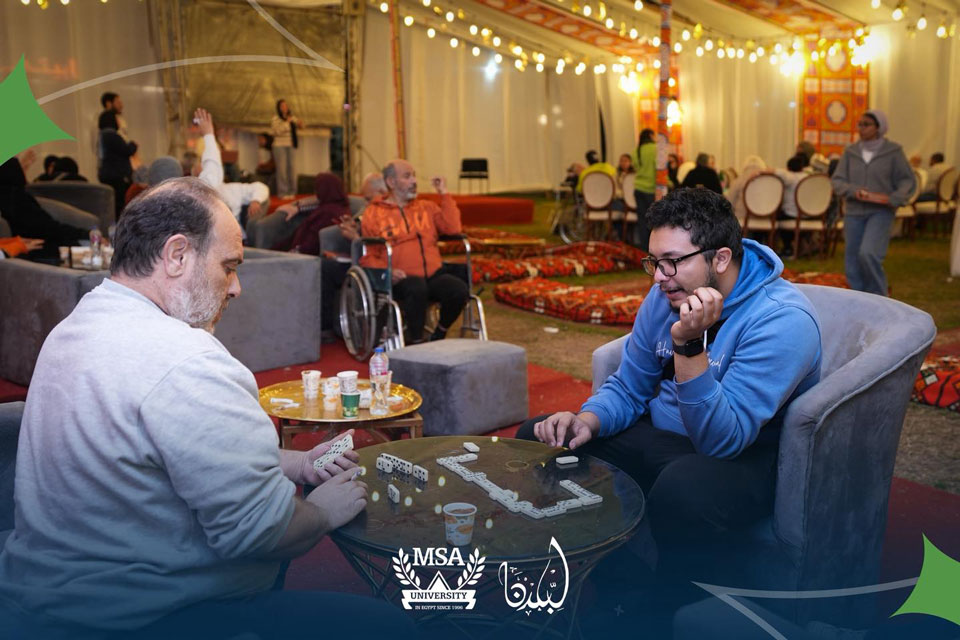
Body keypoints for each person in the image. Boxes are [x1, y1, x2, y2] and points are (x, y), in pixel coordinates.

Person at [0, 177, 415, 639]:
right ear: (177, 255)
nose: (235, 288)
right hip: (141, 618)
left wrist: (296, 463)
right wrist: (321, 511)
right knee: (393, 628)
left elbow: (163, 450)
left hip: (47, 594)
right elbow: (264, 531)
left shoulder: (76, 325)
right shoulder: (188, 362)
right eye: (229, 267)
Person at [518, 187, 821, 600]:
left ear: (720, 258)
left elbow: (722, 440)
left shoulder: (782, 320)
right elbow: (629, 386)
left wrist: (689, 346)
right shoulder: (668, 293)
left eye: (672, 262)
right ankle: (614, 578)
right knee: (541, 441)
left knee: (684, 489)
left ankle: (666, 609)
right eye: (654, 262)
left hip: (741, 456)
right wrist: (586, 420)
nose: (659, 277)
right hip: (661, 437)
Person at [361, 159, 466, 344]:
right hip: (401, 279)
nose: (414, 181)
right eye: (407, 176)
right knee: (416, 287)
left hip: (432, 275)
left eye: (414, 176)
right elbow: (370, 254)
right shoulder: (374, 213)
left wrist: (444, 193)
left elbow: (453, 228)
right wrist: (388, 272)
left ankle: (439, 333)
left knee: (458, 289)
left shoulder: (427, 207)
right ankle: (417, 342)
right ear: (391, 182)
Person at [831, 109, 915, 296]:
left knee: (869, 254)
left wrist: (895, 198)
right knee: (852, 260)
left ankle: (879, 297)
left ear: (879, 127)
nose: (861, 128)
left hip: (881, 212)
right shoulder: (850, 152)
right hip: (853, 212)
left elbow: (907, 180)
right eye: (859, 124)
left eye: (866, 124)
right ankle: (859, 298)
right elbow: (838, 180)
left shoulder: (893, 152)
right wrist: (854, 191)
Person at [0, 152, 88, 263]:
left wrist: (15, 242)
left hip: (23, 249)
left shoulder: (11, 197)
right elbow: (50, 228)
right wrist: (85, 233)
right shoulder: (17, 198)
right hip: (38, 250)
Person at [97, 109, 138, 219]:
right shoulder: (112, 135)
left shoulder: (102, 136)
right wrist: (133, 145)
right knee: (120, 204)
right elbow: (126, 150)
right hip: (117, 176)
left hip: (107, 174)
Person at [774, 153, 810, 256]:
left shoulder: (788, 177)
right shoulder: (808, 177)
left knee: (776, 217)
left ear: (788, 168)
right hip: (808, 214)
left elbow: (774, 171)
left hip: (791, 215)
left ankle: (786, 247)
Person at [271, 99, 304, 197]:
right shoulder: (276, 118)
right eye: (282, 106)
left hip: (291, 145)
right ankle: (283, 192)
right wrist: (287, 123)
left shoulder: (292, 117)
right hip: (279, 146)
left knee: (292, 169)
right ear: (279, 108)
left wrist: (300, 124)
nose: (285, 107)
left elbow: (301, 126)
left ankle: (292, 191)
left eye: (286, 105)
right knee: (282, 170)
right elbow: (276, 131)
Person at [630, 128, 656, 250]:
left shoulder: (636, 151)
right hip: (651, 189)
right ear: (650, 135)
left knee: (642, 221)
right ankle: (654, 248)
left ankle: (644, 250)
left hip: (638, 189)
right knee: (655, 220)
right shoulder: (655, 149)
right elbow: (659, 169)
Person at [724, 154, 767, 225]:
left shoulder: (738, 180)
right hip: (765, 219)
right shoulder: (769, 181)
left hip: (742, 219)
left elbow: (730, 203)